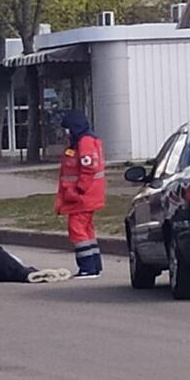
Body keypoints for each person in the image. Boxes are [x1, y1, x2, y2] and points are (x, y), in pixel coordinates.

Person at [55, 110, 106, 279]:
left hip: (81, 196)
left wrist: (78, 190)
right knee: (87, 230)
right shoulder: (83, 142)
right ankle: (94, 265)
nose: (65, 133)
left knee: (77, 229)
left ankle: (87, 268)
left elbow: (88, 167)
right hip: (84, 196)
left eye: (67, 129)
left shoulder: (84, 142)